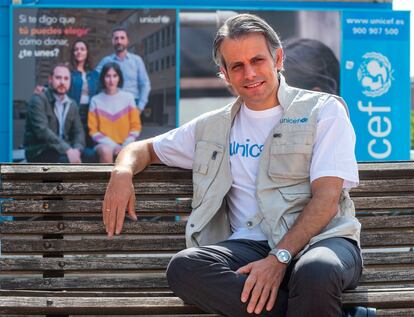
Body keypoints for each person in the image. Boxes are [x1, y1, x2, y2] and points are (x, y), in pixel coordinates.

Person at [102, 14, 375, 317]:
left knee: (314, 271)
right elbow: (144, 149)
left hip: (323, 240)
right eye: (237, 66)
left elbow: (326, 201)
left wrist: (279, 259)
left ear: (278, 58)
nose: (249, 73)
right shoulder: (212, 127)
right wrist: (122, 172)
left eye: (257, 60)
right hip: (249, 246)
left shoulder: (323, 111)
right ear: (225, 74)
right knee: (184, 268)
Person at [24, 63, 94, 163]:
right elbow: (42, 131)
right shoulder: (38, 100)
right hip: (40, 151)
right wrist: (68, 150)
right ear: (50, 79)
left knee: (92, 156)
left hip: (62, 149)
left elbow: (79, 131)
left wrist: (77, 150)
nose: (62, 82)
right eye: (58, 78)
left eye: (66, 79)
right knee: (67, 162)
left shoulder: (71, 104)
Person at [88, 62, 142, 163]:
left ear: (119, 78)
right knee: (106, 150)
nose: (111, 80)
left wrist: (124, 146)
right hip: (103, 145)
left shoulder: (129, 98)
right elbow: (93, 131)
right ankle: (107, 179)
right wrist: (114, 146)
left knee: (130, 153)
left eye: (114, 76)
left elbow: (136, 127)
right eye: (107, 76)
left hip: (126, 143)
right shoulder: (95, 100)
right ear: (103, 78)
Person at [96, 27, 151, 113]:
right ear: (112, 41)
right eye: (116, 38)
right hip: (111, 104)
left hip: (132, 104)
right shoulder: (106, 61)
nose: (119, 41)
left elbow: (145, 84)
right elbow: (95, 80)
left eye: (122, 38)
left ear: (127, 41)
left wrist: (140, 107)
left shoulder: (137, 60)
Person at [67, 39, 100, 146]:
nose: (79, 52)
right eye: (76, 49)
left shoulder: (94, 74)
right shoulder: (69, 72)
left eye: (82, 49)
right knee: (75, 141)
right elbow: (57, 84)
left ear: (87, 52)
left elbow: (102, 92)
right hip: (74, 111)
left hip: (91, 112)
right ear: (73, 53)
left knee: (91, 141)